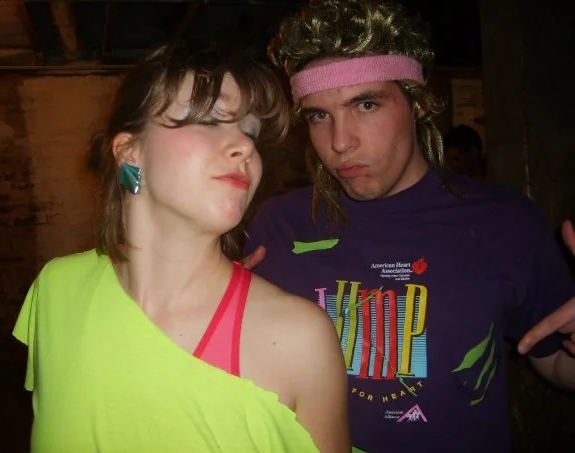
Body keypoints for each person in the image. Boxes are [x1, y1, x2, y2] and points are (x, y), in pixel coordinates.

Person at [243, 1, 575, 452]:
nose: (340, 142)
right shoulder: (279, 227)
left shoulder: (505, 222)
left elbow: (556, 363)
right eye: (319, 115)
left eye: (366, 104)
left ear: (416, 104)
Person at [12, 40, 350, 453]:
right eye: (208, 120)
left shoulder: (300, 339)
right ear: (130, 152)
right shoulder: (56, 290)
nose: (245, 146)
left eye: (250, 132)